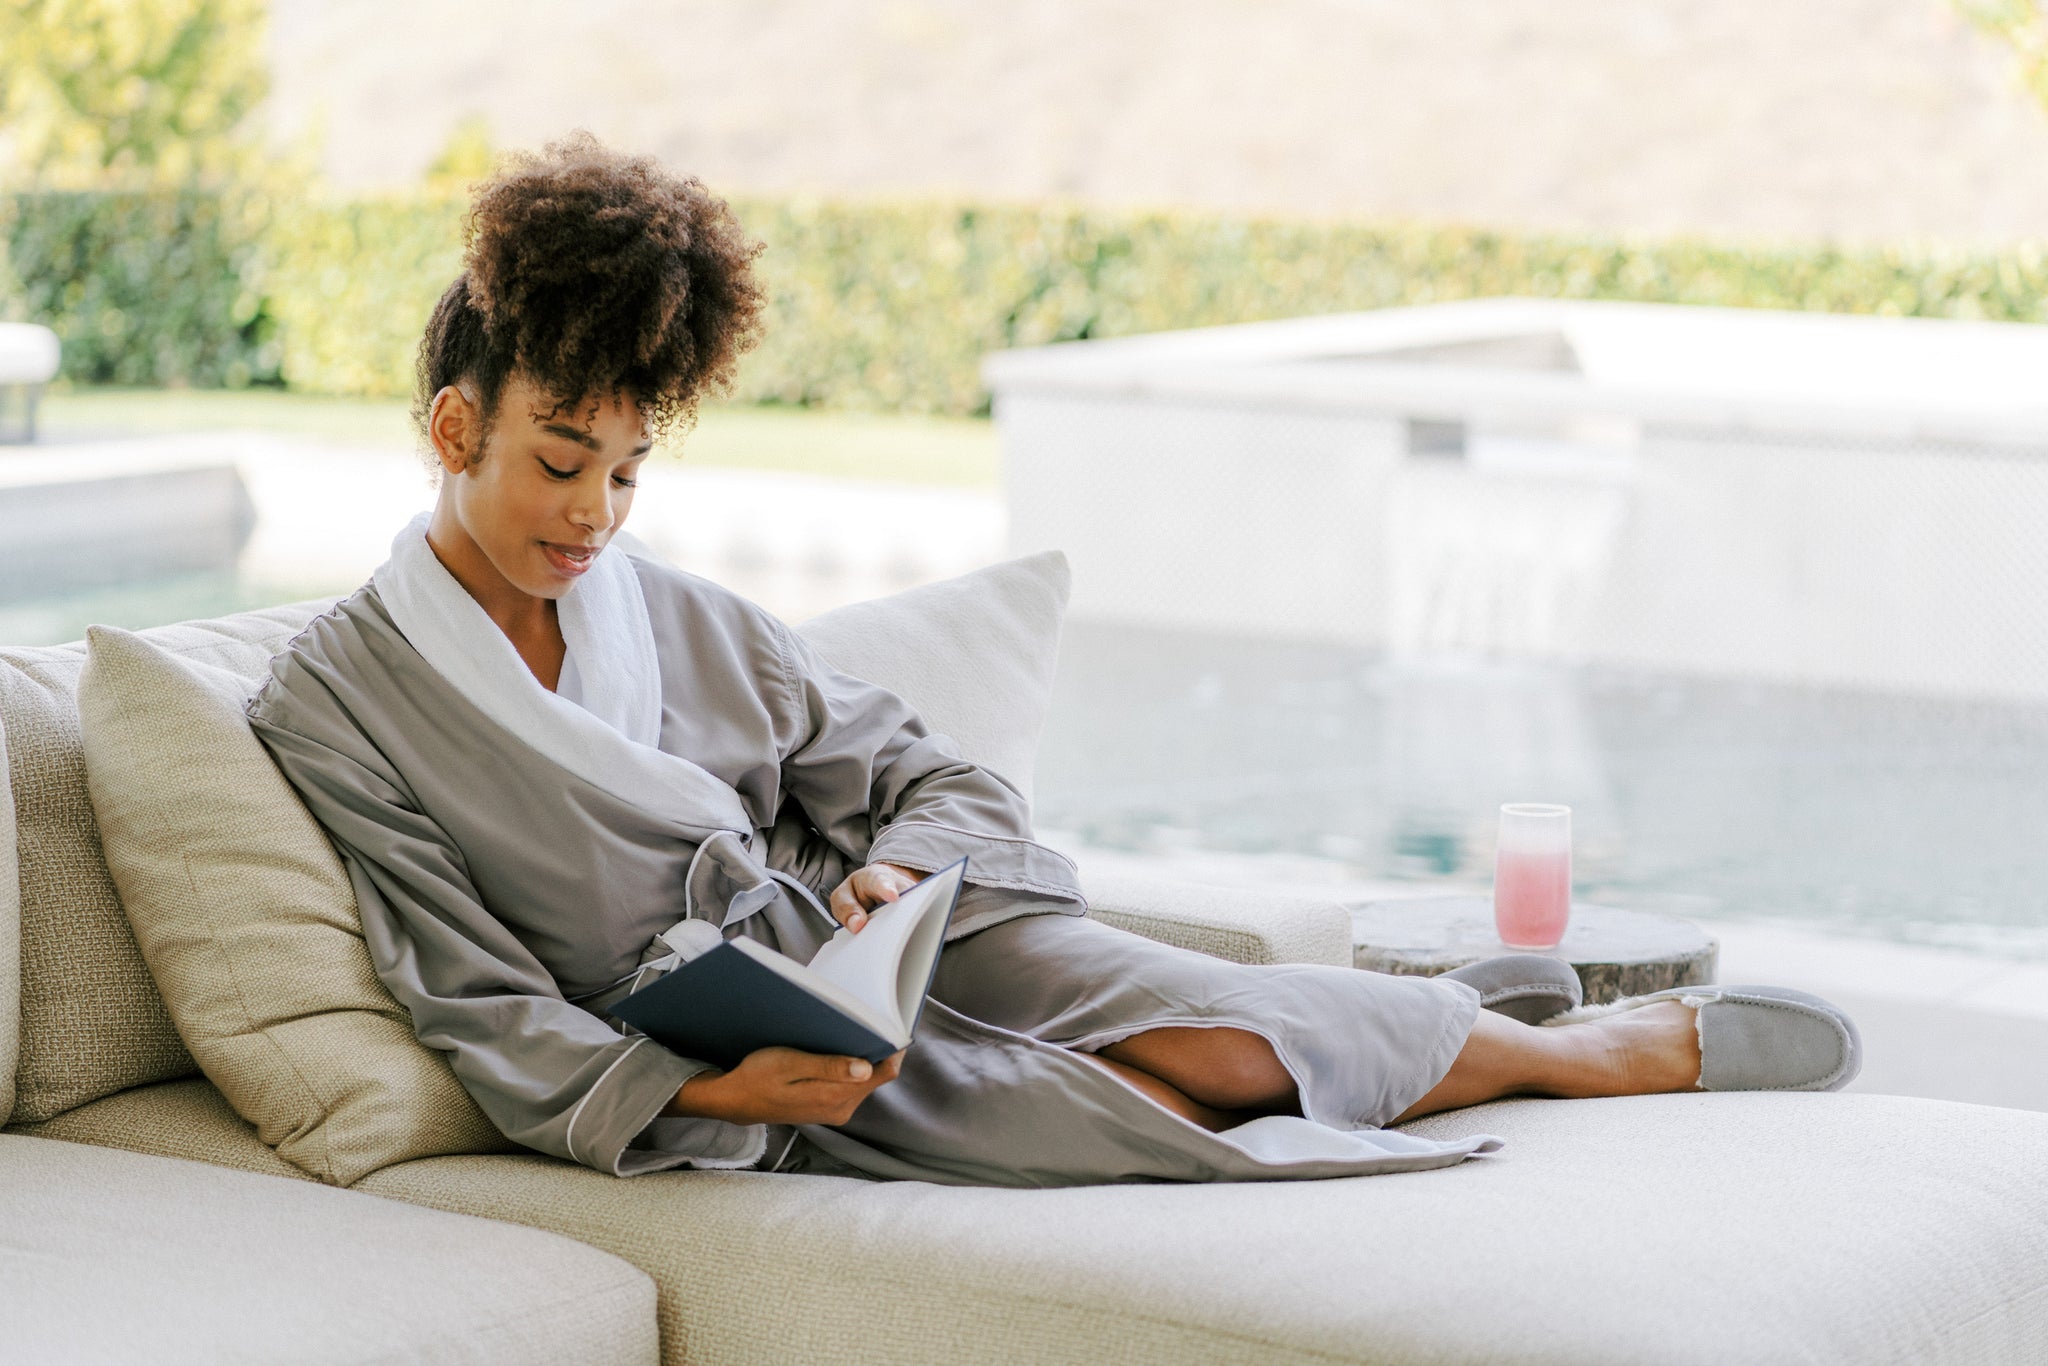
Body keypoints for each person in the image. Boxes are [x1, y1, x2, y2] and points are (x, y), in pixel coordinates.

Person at [246, 133, 1861, 1187]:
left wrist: (898, 879)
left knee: (1222, 1042)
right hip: (739, 1047)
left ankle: (1570, 1050)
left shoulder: (671, 613)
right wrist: (712, 1099)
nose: (595, 511)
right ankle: (1457, 1021)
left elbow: (928, 769)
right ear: (457, 428)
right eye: (558, 458)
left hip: (905, 949)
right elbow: (454, 978)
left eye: (629, 469)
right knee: (1168, 1116)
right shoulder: (335, 698)